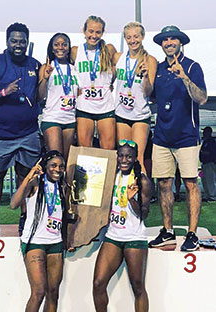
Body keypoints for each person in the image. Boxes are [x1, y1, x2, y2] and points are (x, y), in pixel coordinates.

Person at [0, 22, 41, 237]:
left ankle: (25, 216)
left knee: (26, 175)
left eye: (22, 41)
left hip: (28, 131)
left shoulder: (35, 65)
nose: (18, 45)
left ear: (27, 42)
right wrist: (4, 92)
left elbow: (41, 93)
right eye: (14, 41)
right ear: (7, 42)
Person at [148, 26, 207, 252]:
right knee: (163, 184)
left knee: (191, 183)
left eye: (173, 38)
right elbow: (150, 97)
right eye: (165, 39)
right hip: (162, 136)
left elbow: (201, 99)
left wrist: (184, 77)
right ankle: (168, 231)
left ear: (180, 42)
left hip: (187, 137)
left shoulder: (192, 66)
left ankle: (192, 234)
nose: (169, 42)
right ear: (162, 44)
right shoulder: (159, 68)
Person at [93, 139, 151, 312]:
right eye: (121, 156)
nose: (124, 160)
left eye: (128, 157)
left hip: (134, 238)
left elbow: (144, 214)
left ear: (135, 159)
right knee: (98, 283)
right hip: (113, 236)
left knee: (138, 287)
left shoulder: (143, 181)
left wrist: (132, 198)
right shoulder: (112, 176)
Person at [10, 150, 65, 312]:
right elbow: (14, 204)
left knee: (53, 293)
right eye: (53, 165)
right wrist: (29, 176)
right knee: (39, 292)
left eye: (61, 166)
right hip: (34, 242)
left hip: (55, 242)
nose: (57, 169)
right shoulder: (35, 183)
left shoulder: (62, 185)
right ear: (45, 166)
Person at [113, 22, 157, 173]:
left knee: (137, 158)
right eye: (129, 37)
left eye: (136, 36)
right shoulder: (118, 57)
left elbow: (149, 91)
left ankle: (142, 196)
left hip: (140, 114)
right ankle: (122, 194)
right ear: (125, 39)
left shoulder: (149, 60)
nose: (133, 40)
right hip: (121, 113)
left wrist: (145, 77)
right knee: (123, 158)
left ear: (142, 37)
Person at [71, 15, 117, 149]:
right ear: (84, 31)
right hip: (84, 105)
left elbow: (117, 68)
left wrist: (110, 83)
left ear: (102, 33)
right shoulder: (75, 51)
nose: (94, 35)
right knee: (85, 150)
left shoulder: (108, 49)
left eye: (98, 32)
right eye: (91, 31)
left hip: (105, 105)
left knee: (108, 150)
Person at [38, 33, 78, 161]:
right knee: (55, 160)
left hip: (70, 119)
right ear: (52, 48)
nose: (60, 47)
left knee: (66, 162)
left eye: (64, 44)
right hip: (52, 118)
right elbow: (39, 96)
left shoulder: (74, 69)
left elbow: (80, 93)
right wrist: (45, 78)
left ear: (68, 48)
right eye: (56, 44)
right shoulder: (47, 67)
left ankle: (65, 182)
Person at [199, 126, 216, 202]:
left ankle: (212, 195)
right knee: (204, 179)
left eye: (205, 132)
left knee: (209, 179)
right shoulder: (205, 141)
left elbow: (212, 153)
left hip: (209, 163)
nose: (203, 133)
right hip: (204, 164)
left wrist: (204, 153)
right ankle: (207, 194)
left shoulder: (211, 142)